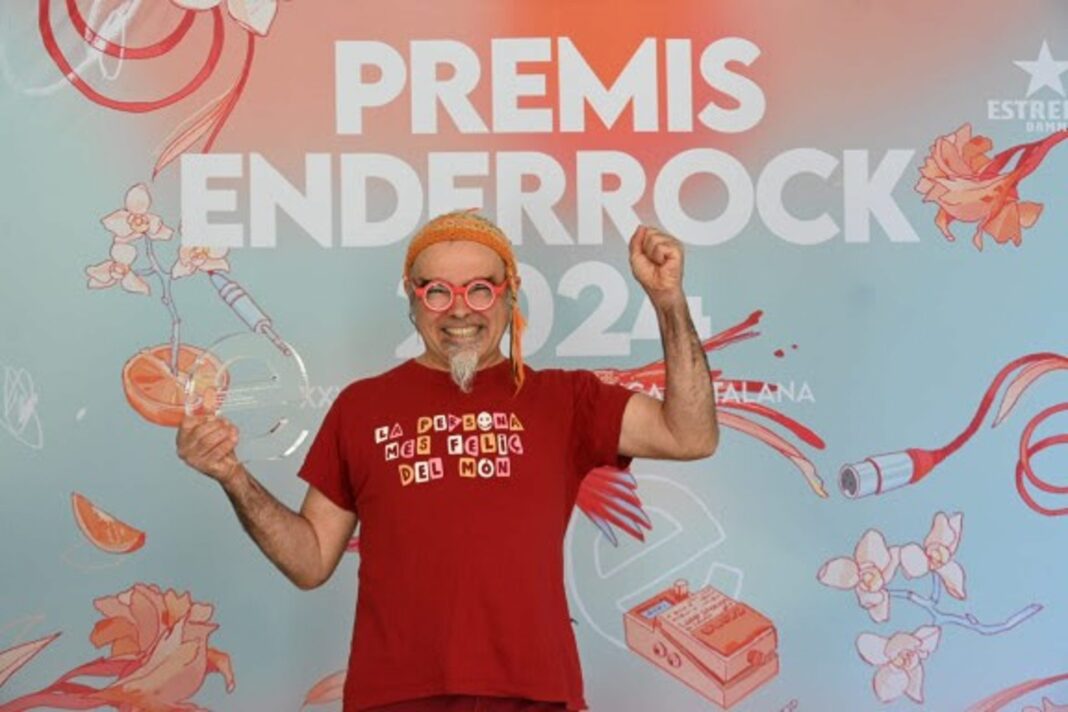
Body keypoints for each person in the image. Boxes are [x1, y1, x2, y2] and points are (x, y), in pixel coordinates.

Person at [176, 210, 719, 712]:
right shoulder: (361, 408)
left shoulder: (565, 399)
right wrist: (232, 476)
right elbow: (310, 560)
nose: (460, 309)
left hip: (535, 694)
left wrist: (667, 301)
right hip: (396, 697)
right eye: (437, 291)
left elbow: (690, 435)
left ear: (510, 296)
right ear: (413, 301)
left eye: (480, 289)